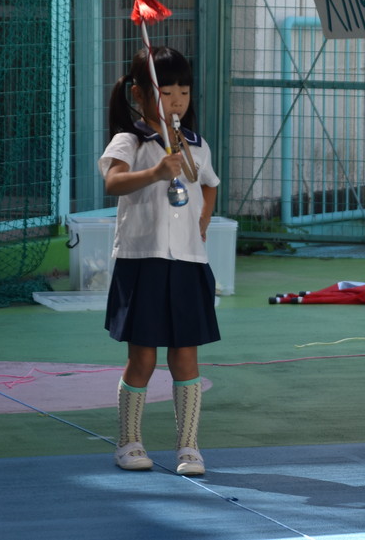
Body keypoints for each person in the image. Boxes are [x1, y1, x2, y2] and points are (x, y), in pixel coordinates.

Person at [101, 46, 220, 476]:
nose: (176, 101)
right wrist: (155, 172)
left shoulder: (196, 145)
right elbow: (113, 182)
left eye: (184, 92)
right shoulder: (130, 140)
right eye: (165, 92)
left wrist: (204, 219)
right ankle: (128, 442)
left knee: (185, 357)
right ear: (139, 94)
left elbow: (209, 184)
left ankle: (188, 447)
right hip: (143, 261)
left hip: (187, 261)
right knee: (144, 358)